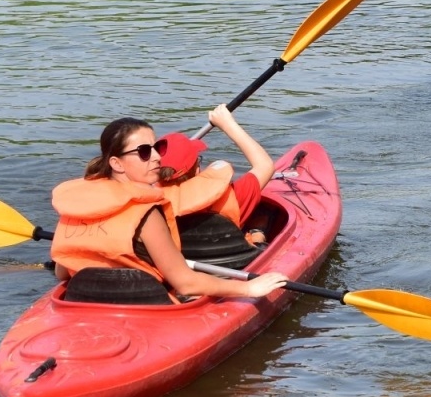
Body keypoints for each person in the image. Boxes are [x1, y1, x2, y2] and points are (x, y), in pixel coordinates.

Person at [48, 116, 289, 304]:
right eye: (144, 152)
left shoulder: (76, 205)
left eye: (157, 147)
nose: (155, 157)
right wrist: (248, 288)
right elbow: (185, 284)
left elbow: (62, 272)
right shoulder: (146, 212)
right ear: (116, 163)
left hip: (83, 302)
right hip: (145, 306)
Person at [156, 104, 276, 262]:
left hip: (182, 265)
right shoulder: (234, 195)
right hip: (230, 266)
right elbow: (266, 165)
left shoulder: (148, 204)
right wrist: (228, 124)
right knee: (265, 213)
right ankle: (257, 236)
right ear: (197, 168)